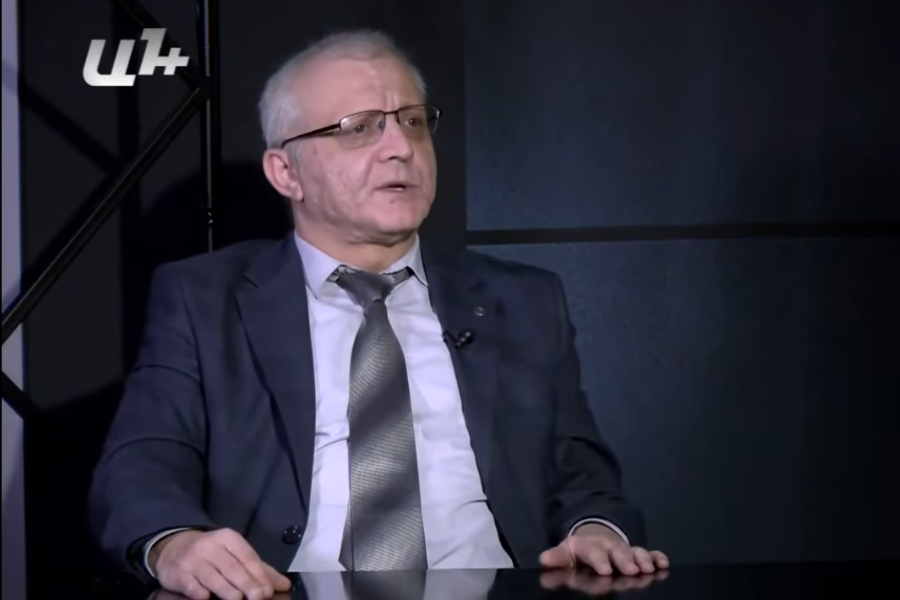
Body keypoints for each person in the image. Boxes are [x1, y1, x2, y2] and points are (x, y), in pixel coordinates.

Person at [88, 29, 668, 600]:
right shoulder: (202, 300)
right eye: (358, 127)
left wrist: (596, 530)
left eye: (412, 121)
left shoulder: (524, 300)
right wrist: (176, 542)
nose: (400, 147)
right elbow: (141, 464)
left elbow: (581, 474)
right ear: (286, 173)